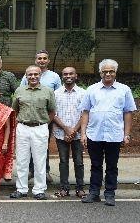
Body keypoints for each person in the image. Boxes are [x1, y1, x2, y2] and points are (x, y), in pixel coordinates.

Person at [80, 59, 136, 206]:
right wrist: (83, 133)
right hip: (94, 133)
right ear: (100, 73)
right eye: (105, 71)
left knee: (112, 166)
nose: (108, 74)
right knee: (96, 165)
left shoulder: (124, 90)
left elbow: (128, 112)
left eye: (111, 71)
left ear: (115, 72)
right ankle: (94, 193)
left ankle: (110, 194)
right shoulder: (91, 89)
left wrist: (127, 134)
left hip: (114, 134)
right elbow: (85, 112)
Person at [10, 65, 56, 201]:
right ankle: (21, 189)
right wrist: (21, 123)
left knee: (39, 160)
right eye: (30, 74)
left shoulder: (47, 91)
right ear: (26, 76)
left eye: (36, 74)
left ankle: (39, 190)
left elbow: (52, 111)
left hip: (41, 128)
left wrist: (44, 124)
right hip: (23, 127)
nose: (33, 77)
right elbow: (15, 110)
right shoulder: (19, 91)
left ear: (40, 75)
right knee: (22, 160)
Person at [20, 50, 61, 183]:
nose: (42, 60)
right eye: (39, 58)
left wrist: (48, 121)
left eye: (44, 58)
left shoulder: (54, 77)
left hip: (45, 119)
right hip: (28, 118)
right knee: (28, 147)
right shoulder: (27, 76)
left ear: (48, 60)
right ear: (35, 60)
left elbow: (57, 97)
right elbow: (20, 96)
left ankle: (45, 171)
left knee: (43, 146)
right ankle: (31, 171)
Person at [52, 67, 86, 199]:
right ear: (62, 76)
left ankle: (80, 189)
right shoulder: (55, 93)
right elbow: (53, 114)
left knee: (79, 162)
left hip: (77, 134)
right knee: (63, 161)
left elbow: (85, 113)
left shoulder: (83, 93)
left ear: (76, 76)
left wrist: (74, 130)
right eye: (65, 74)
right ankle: (64, 189)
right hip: (61, 134)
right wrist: (66, 129)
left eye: (71, 73)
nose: (68, 76)